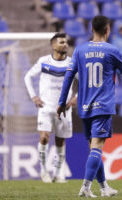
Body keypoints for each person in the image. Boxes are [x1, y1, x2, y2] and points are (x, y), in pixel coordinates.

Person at [57, 15, 122, 198]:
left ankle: (104, 187)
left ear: (92, 29)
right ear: (107, 30)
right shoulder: (112, 51)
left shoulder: (79, 50)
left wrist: (62, 102)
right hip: (102, 106)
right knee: (97, 148)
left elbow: (68, 77)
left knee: (94, 147)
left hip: (84, 106)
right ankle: (85, 187)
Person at [24, 33, 76, 183]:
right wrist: (34, 96)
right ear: (53, 45)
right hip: (46, 108)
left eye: (66, 42)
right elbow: (27, 77)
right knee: (44, 137)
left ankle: (58, 174)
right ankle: (44, 171)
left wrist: (75, 98)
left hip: (64, 110)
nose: (65, 44)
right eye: (61, 42)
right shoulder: (43, 61)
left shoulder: (72, 64)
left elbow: (85, 82)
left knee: (60, 141)